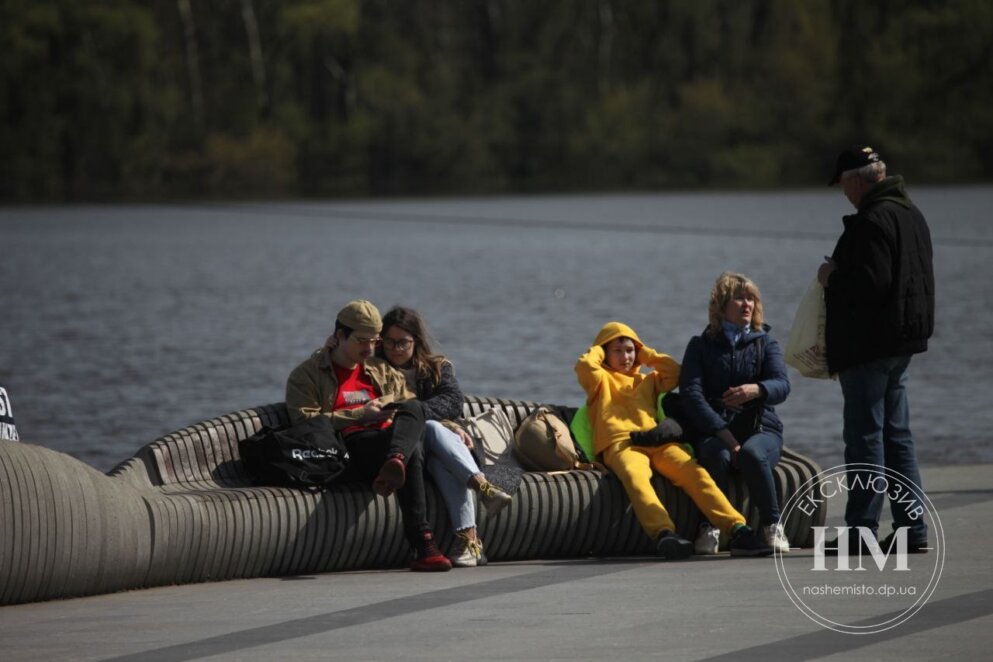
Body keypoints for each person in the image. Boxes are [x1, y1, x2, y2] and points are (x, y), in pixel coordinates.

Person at [817, 146, 934, 554]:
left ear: (859, 180)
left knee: (865, 438)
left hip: (868, 347)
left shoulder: (871, 220)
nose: (845, 193)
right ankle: (912, 530)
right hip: (901, 343)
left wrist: (832, 276)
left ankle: (861, 531)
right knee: (897, 437)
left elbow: (870, 285)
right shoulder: (910, 213)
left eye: (845, 185)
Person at [575, 321, 772, 559]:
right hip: (621, 444)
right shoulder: (599, 381)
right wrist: (600, 346)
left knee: (695, 474)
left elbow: (675, 373)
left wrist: (644, 353)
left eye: (629, 350)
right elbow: (585, 365)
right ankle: (665, 534)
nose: (625, 356)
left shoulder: (647, 381)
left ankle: (737, 528)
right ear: (605, 353)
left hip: (656, 441)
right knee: (635, 477)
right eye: (617, 351)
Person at [285, 300, 452, 571]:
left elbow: (412, 411)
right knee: (412, 451)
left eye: (375, 341)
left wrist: (455, 429)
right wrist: (360, 415)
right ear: (340, 336)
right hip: (349, 449)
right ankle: (423, 542)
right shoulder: (307, 375)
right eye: (362, 340)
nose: (370, 348)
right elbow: (305, 423)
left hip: (390, 443)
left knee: (412, 409)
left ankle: (395, 462)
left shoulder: (380, 370)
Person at [377, 306, 512, 567]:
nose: (395, 349)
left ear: (416, 341)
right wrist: (416, 417)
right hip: (408, 451)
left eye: (402, 342)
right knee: (431, 427)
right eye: (389, 342)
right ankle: (483, 489)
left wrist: (418, 414)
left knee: (438, 447)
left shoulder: (437, 367)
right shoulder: (374, 370)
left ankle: (469, 544)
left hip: (443, 453)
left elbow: (452, 401)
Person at [679, 273, 791, 555]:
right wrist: (725, 435)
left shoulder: (766, 343)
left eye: (751, 298)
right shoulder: (700, 345)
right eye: (739, 298)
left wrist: (757, 389)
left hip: (761, 428)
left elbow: (783, 385)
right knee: (716, 455)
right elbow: (691, 395)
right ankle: (711, 526)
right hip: (717, 429)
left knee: (753, 454)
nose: (747, 304)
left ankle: (772, 526)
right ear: (720, 305)